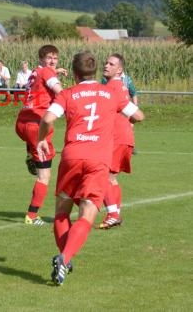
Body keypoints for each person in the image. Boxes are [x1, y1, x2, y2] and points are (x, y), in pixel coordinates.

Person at [36, 51, 144, 285]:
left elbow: (47, 119)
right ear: (94, 71)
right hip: (98, 160)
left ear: (74, 73)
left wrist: (42, 140)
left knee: (62, 212)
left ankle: (64, 258)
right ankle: (64, 258)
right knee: (87, 214)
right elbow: (138, 115)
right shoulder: (110, 93)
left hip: (72, 157)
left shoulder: (68, 93)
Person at [15, 45, 65, 225]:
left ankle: (30, 152)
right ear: (41, 59)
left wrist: (55, 71)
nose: (52, 61)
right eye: (49, 58)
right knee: (44, 176)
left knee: (40, 163)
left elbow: (43, 81)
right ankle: (32, 216)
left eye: (55, 58)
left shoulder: (35, 72)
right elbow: (60, 91)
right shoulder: (47, 73)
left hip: (22, 123)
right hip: (37, 126)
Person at [99, 54, 136, 229]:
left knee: (103, 175)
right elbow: (133, 113)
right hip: (125, 137)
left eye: (111, 64)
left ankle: (113, 214)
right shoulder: (120, 86)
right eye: (106, 62)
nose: (106, 65)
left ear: (119, 69)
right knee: (111, 178)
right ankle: (114, 214)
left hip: (116, 138)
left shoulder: (112, 87)